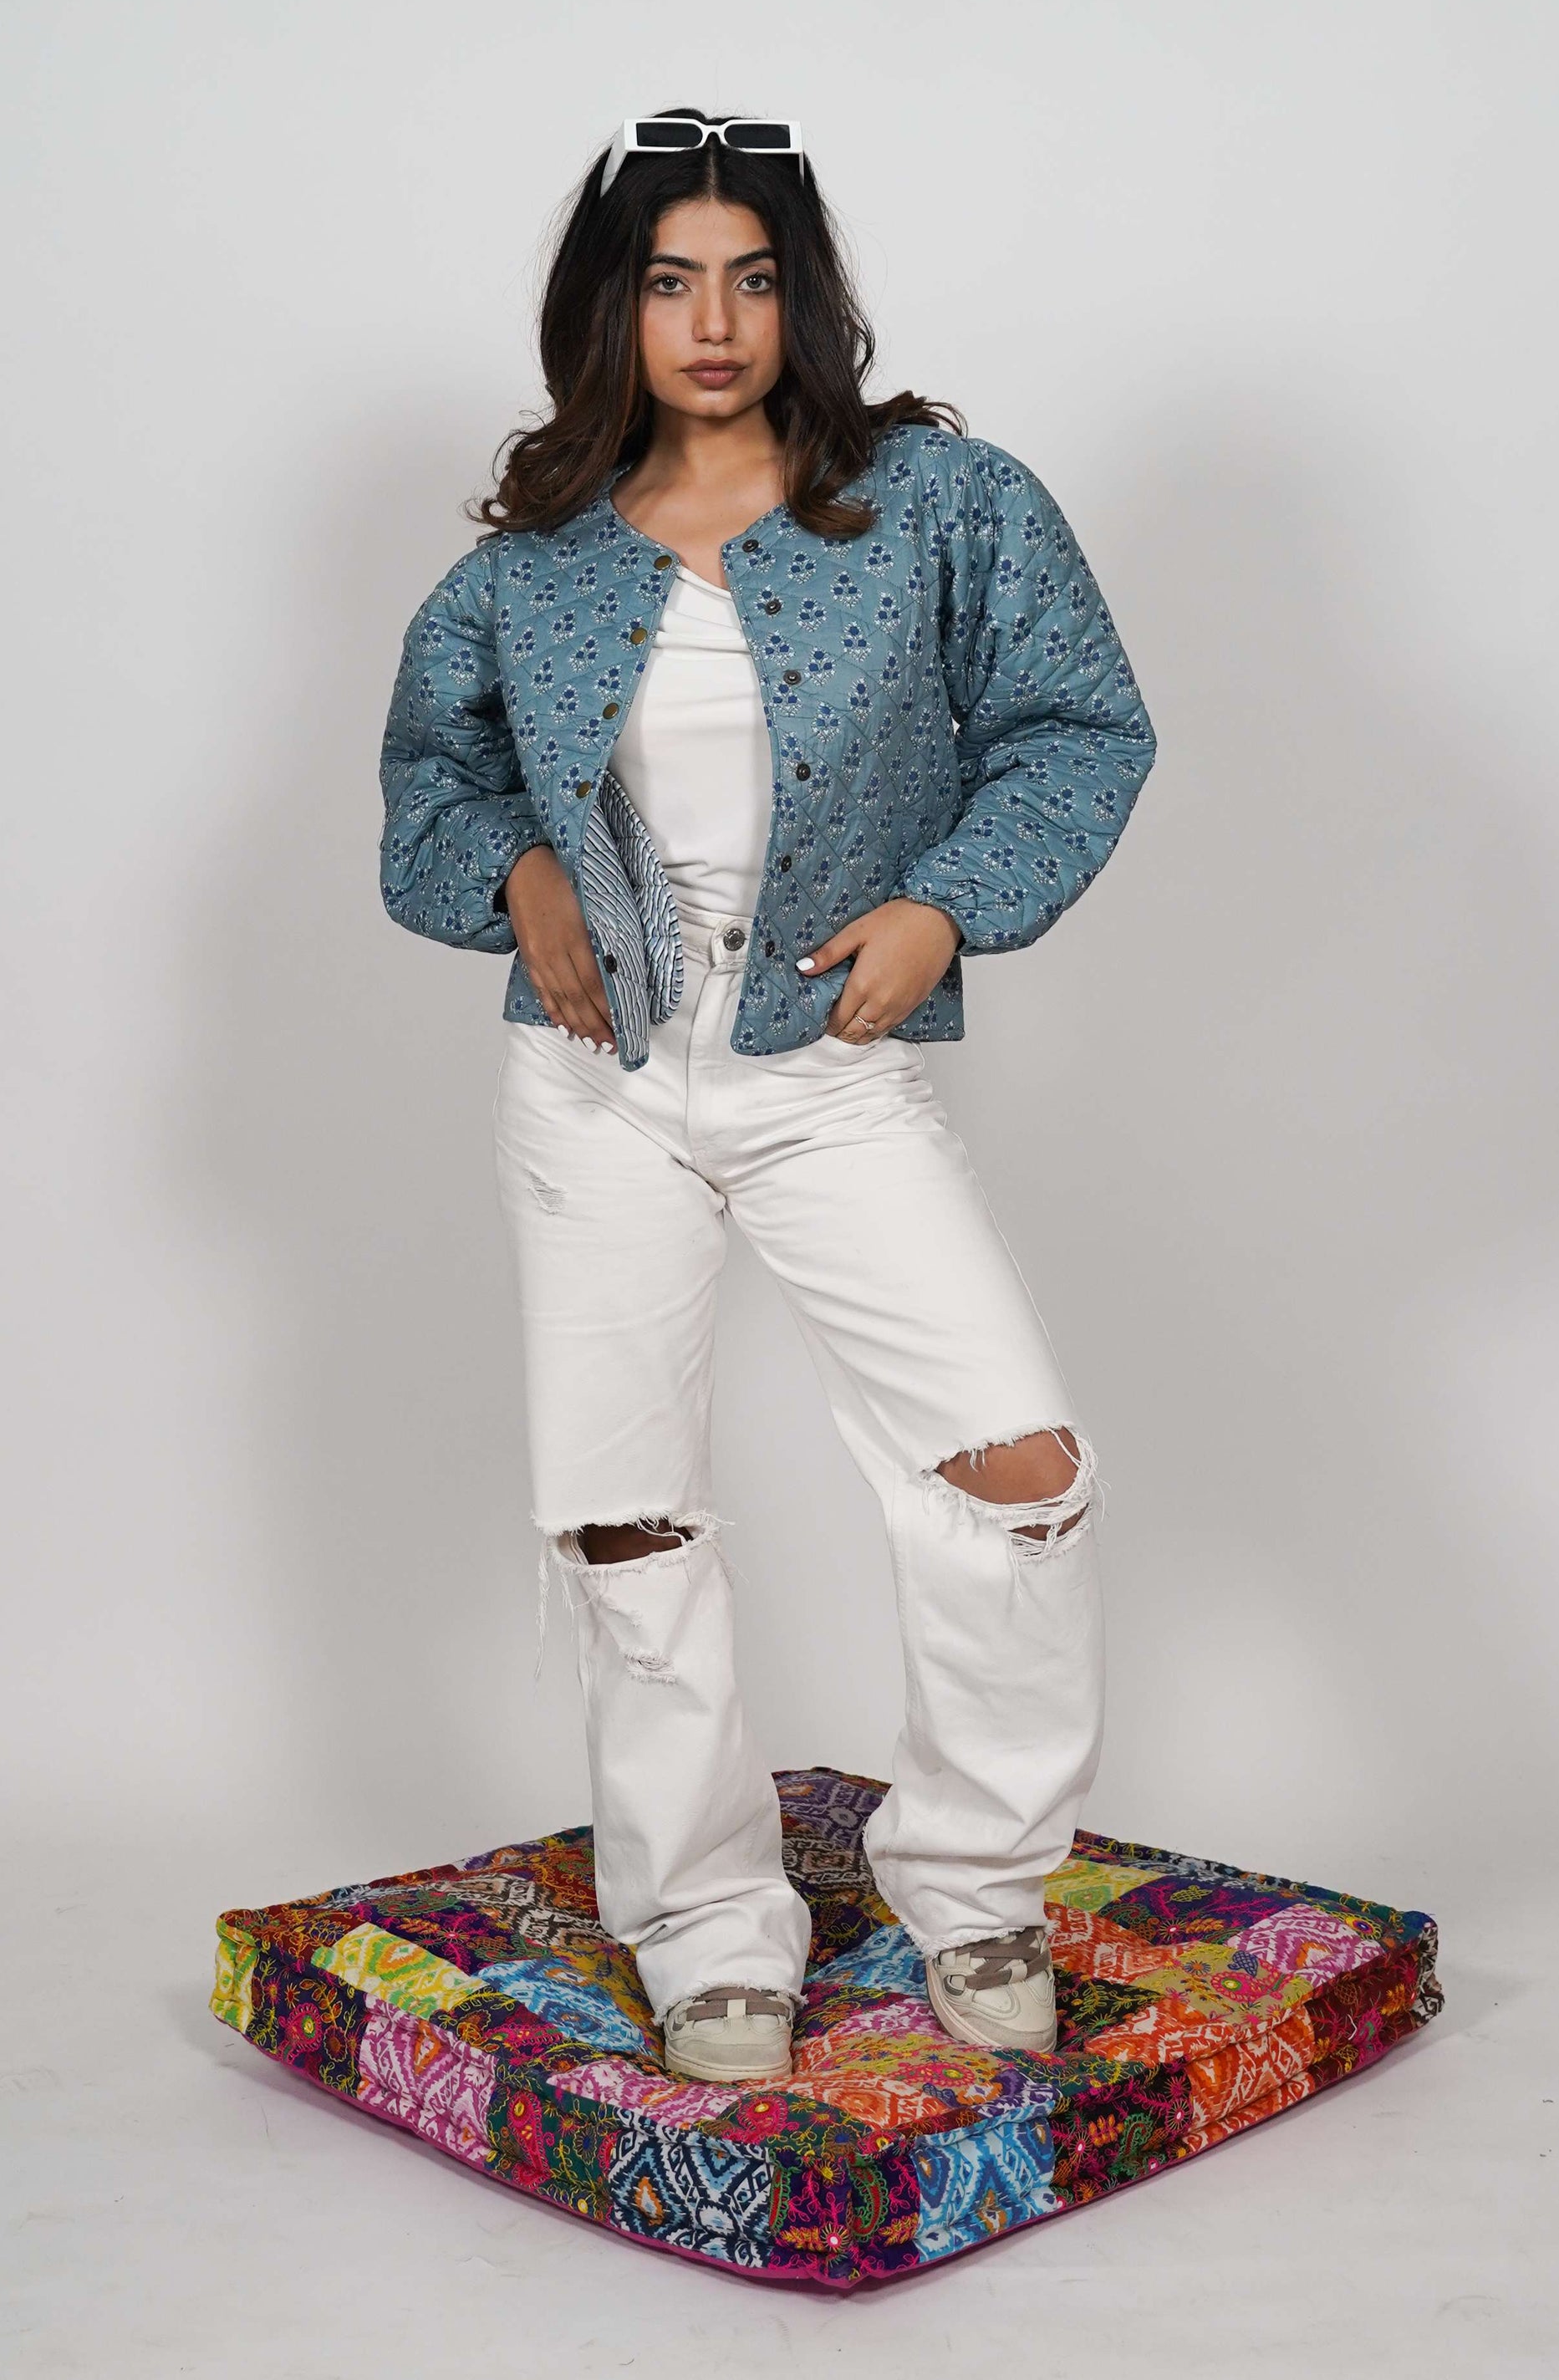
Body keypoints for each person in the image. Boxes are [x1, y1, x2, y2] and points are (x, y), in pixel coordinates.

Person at [379, 110, 1157, 2087]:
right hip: (594, 1088)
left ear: (804, 296)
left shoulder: (945, 503)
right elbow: (428, 792)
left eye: (749, 279)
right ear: (610, 308)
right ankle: (706, 1917)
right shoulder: (528, 566)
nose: (713, 323)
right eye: (668, 282)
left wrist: (946, 904)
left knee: (1015, 1468)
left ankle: (976, 1881)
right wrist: (516, 872)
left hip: (828, 1077)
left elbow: (1080, 729)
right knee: (625, 1515)